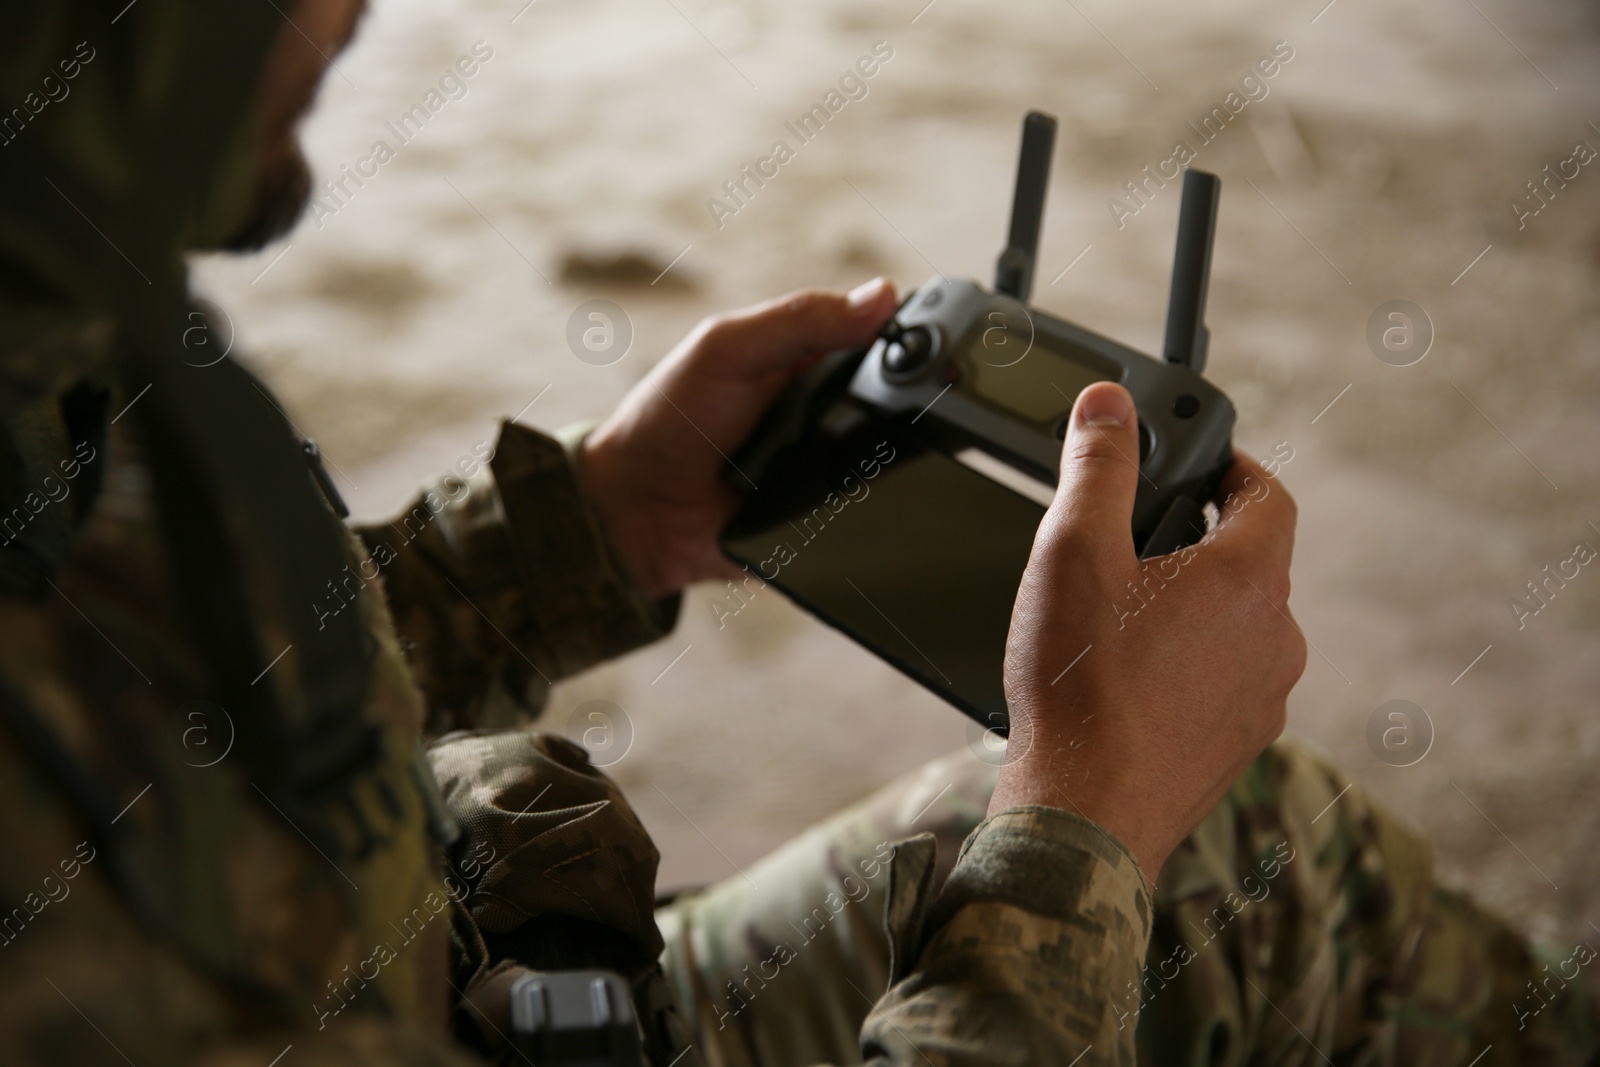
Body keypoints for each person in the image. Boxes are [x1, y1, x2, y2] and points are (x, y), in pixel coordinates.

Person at [0, 2, 1593, 1064]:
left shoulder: (45, 334)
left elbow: (159, 708)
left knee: (1255, 848)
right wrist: (1079, 832)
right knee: (1183, 847)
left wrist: (568, 541)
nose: (348, 15)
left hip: (451, 972)